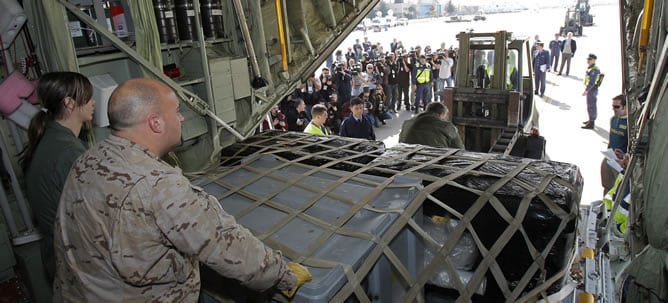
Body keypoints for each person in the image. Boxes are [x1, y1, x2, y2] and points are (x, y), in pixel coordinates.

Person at [53, 78, 311, 301]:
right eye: (176, 111)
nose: (181, 117)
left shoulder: (88, 160)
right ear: (155, 123)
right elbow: (225, 244)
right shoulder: (158, 185)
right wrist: (282, 274)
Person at [19, 72, 95, 283]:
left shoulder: (51, 140)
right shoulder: (68, 152)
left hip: (60, 257)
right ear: (69, 103)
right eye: (88, 97)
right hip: (78, 264)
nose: (93, 102)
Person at [399, 102, 464, 149]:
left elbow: (401, 142)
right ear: (441, 114)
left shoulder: (407, 122)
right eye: (444, 116)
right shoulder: (446, 126)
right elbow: (459, 149)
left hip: (406, 157)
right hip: (433, 161)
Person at [601, 94, 628, 193]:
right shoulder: (613, 119)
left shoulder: (629, 123)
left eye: (617, 107)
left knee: (618, 189)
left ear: (625, 107)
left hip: (620, 162)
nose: (614, 109)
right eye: (613, 106)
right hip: (609, 157)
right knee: (606, 185)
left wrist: (624, 158)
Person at [581, 54, 602, 129]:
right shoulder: (591, 68)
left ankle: (591, 123)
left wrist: (586, 90)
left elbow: (592, 82)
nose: (588, 61)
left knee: (591, 106)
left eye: (590, 59)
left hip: (591, 90)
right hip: (591, 90)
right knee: (590, 106)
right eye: (588, 59)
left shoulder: (594, 70)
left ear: (594, 60)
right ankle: (590, 120)